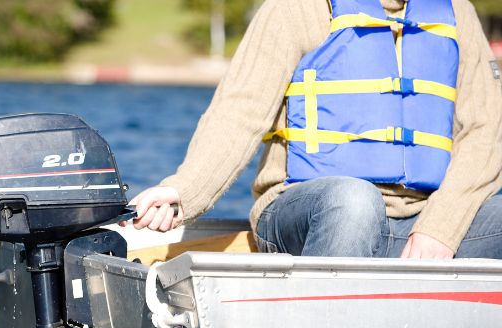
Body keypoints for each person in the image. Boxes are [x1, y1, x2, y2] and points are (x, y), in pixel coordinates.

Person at [128, 0, 502, 259]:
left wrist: (440, 228)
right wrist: (185, 191)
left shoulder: (457, 13)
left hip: (417, 223)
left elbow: (486, 129)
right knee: (353, 201)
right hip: (308, 213)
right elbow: (239, 111)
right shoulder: (295, 8)